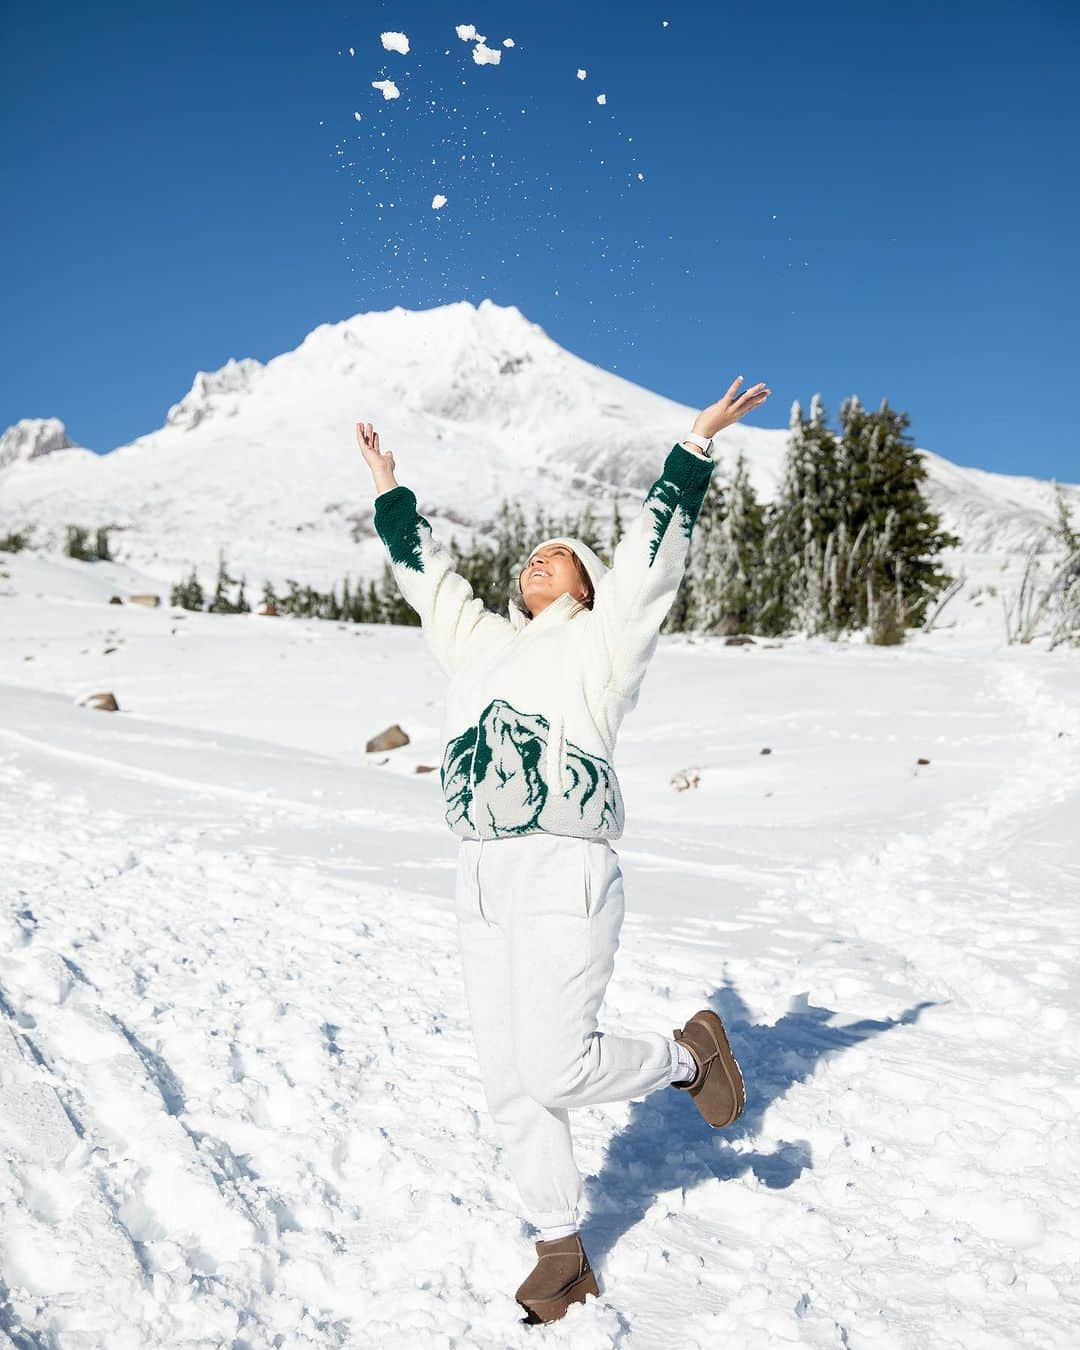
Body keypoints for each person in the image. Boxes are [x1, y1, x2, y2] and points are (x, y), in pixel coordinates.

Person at [356, 375, 770, 1325]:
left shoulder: (600, 644)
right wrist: (389, 487)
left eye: (561, 556)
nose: (541, 561)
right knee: (510, 1079)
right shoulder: (480, 646)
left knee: (553, 1064)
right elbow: (428, 576)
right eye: (533, 557)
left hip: (562, 862)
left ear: (585, 584)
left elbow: (653, 559)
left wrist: (696, 445)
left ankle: (688, 1058)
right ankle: (559, 1248)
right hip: (481, 874)